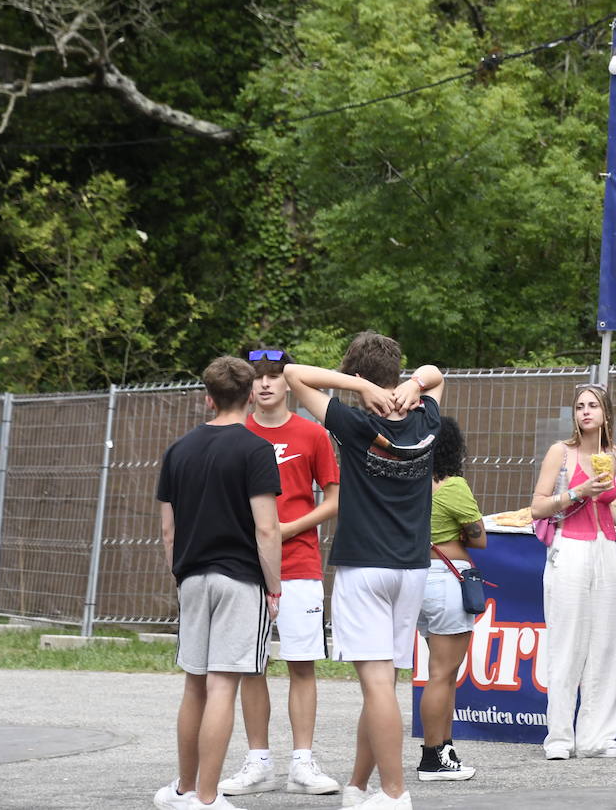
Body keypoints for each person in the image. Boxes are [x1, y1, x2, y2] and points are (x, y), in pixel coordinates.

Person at [282, 333, 444, 810]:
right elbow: (437, 374)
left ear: (357, 378)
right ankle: (358, 785)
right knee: (384, 688)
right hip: (412, 568)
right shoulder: (426, 417)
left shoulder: (352, 422)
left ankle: (395, 793)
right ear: (396, 374)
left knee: (376, 686)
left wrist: (354, 386)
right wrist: (415, 383)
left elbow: (294, 376)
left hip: (364, 567)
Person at [154, 356, 282, 810]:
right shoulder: (255, 450)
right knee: (224, 685)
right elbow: (266, 530)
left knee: (194, 685)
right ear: (250, 396)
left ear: (208, 397)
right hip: (240, 579)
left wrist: (181, 575)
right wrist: (274, 585)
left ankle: (184, 789)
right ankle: (207, 798)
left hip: (192, 577)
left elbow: (168, 531)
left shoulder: (177, 451)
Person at [219, 349, 342, 798]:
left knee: (301, 666)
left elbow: (332, 500)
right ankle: (258, 762)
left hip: (300, 564)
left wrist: (285, 529)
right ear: (247, 386)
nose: (265, 384)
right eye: (257, 377)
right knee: (252, 666)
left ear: (289, 383)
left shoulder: (312, 434)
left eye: (274, 376)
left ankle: (302, 764)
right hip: (242, 568)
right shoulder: (234, 432)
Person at [529, 382, 616, 761]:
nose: (585, 412)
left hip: (606, 548)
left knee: (606, 645)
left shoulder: (613, 454)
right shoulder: (562, 453)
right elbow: (537, 506)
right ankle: (559, 736)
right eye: (579, 407)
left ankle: (597, 737)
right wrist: (577, 491)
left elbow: (609, 509)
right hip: (569, 547)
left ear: (606, 413)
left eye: (592, 406)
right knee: (566, 642)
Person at [415, 415, 485, 782]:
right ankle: (432, 757)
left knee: (441, 671)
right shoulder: (453, 486)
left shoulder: (411, 483)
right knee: (442, 674)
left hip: (418, 580)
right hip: (447, 578)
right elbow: (479, 537)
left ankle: (444, 748)